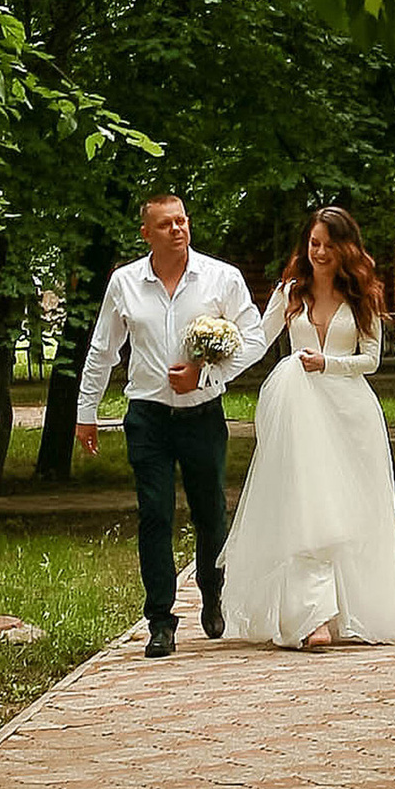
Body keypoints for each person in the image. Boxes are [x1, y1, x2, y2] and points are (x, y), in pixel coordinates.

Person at [219, 203, 395, 648]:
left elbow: (371, 360)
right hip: (301, 413)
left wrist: (327, 363)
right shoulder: (291, 292)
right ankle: (312, 617)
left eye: (329, 245)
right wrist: (215, 367)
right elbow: (258, 341)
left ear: (347, 249)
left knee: (352, 510)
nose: (320, 253)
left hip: (350, 414)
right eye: (314, 244)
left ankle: (354, 610)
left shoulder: (364, 295)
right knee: (309, 508)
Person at [76, 194, 268, 658]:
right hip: (147, 416)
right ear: (147, 233)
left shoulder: (222, 278)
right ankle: (160, 619)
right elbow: (104, 349)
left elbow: (255, 338)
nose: (177, 230)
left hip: (202, 413)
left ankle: (212, 589)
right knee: (155, 513)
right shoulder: (125, 283)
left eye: (182, 221)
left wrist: (206, 373)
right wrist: (86, 412)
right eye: (165, 224)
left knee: (209, 513)